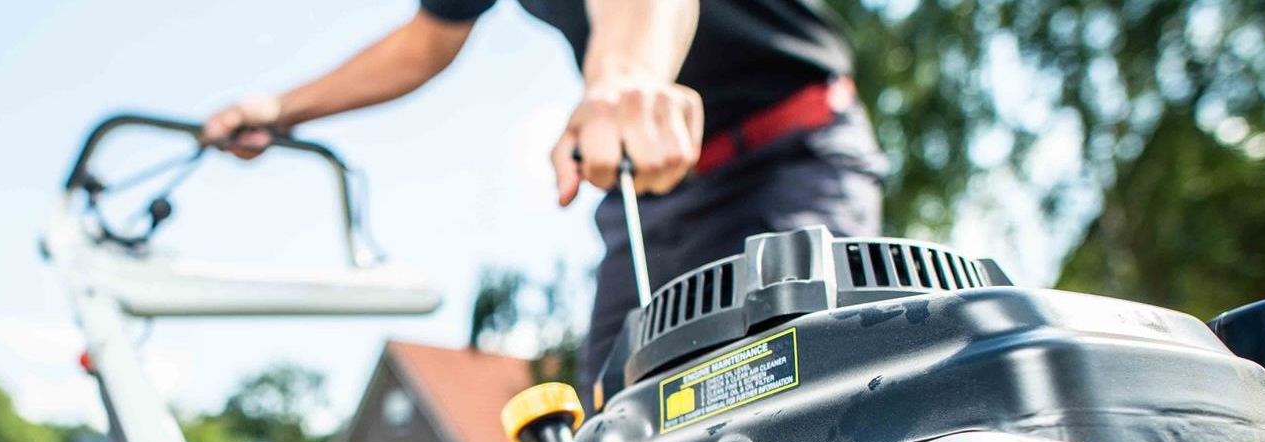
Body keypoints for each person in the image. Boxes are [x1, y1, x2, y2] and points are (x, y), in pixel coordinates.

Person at [204, 0, 886, 398]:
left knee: (790, 398)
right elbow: (426, 42)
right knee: (616, 422)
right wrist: (282, 108)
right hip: (644, 189)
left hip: (786, 156)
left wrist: (623, 80)